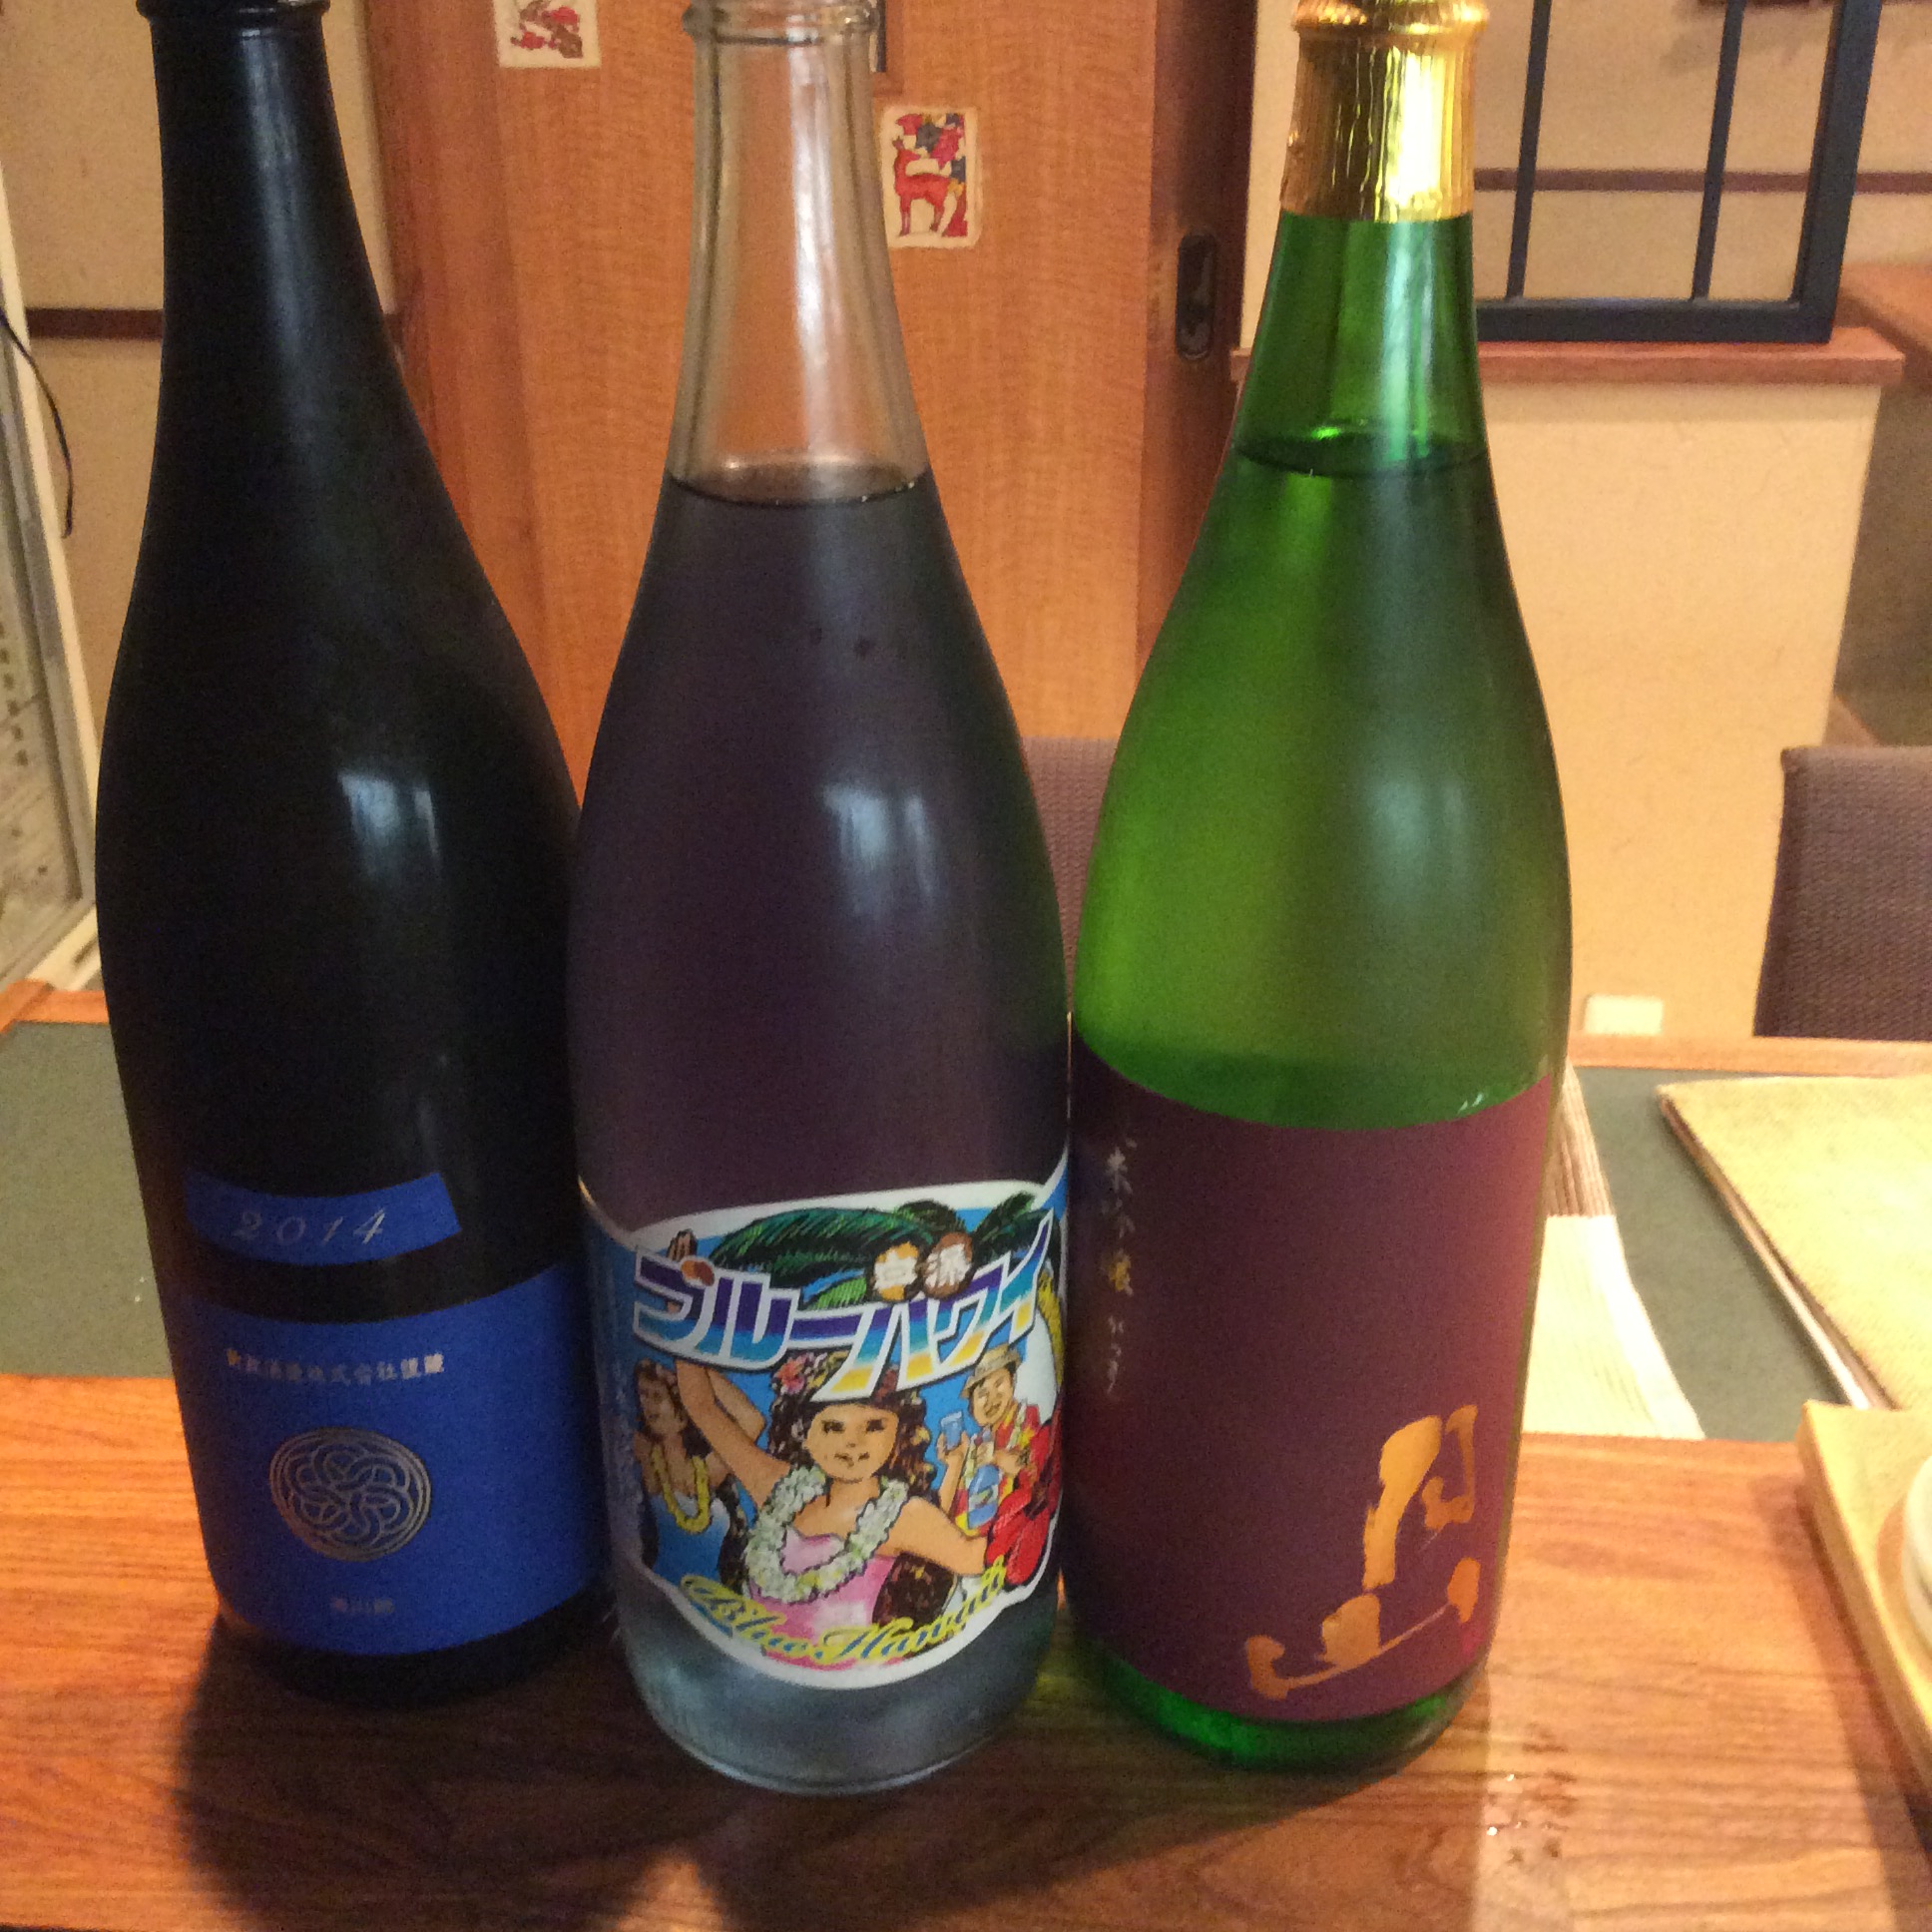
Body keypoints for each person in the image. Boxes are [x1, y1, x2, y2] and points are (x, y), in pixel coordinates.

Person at [676, 1351, 987, 1646]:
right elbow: (701, 1407)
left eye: (874, 1426)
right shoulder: (777, 1486)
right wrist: (684, 1327)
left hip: (872, 1680)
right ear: (805, 1433)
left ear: (898, 1432)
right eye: (833, 1427)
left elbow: (973, 1557)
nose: (853, 1443)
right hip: (751, 1674)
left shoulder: (905, 1516)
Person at [631, 1355, 759, 1580]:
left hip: (714, 1594)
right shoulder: (647, 1457)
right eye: (643, 1395)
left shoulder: (707, 1471)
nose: (647, 1404)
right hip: (657, 1590)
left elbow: (752, 1420)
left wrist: (695, 1366)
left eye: (657, 1396)